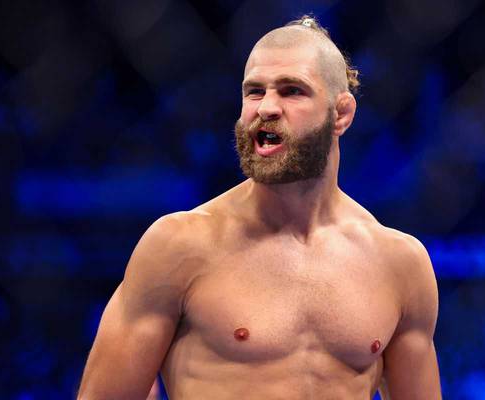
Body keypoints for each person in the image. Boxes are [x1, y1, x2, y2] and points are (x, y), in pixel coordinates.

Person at [78, 15, 441, 400]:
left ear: (341, 114)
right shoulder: (179, 245)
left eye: (291, 91)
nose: (267, 107)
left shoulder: (399, 263)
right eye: (254, 92)